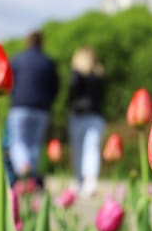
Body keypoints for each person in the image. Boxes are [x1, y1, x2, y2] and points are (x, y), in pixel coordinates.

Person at [7, 31, 59, 187]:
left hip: (20, 106)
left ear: (27, 42)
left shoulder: (17, 60)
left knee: (18, 140)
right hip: (41, 108)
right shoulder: (48, 62)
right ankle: (32, 176)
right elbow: (55, 87)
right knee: (35, 143)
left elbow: (8, 82)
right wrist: (48, 101)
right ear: (42, 42)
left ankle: (24, 167)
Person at [68, 46, 106, 198]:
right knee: (92, 149)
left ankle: (79, 181)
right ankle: (90, 182)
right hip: (96, 116)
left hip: (79, 115)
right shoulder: (100, 75)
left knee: (79, 150)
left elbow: (72, 94)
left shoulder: (76, 75)